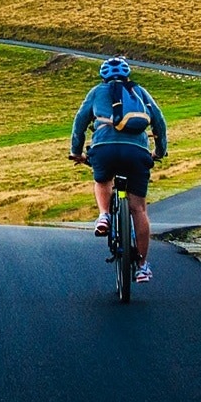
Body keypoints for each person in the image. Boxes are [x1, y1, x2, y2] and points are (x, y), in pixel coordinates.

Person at [68, 57, 168, 283]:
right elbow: (159, 122)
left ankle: (104, 215)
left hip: (104, 148)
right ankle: (142, 266)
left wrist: (76, 151)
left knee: (103, 180)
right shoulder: (140, 92)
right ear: (128, 75)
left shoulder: (97, 92)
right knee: (139, 209)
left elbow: (80, 123)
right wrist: (160, 152)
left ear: (103, 77)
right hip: (137, 151)